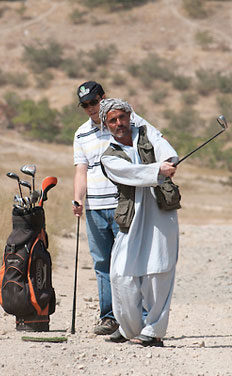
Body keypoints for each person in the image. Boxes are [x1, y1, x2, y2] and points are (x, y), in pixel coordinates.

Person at [72, 81, 160, 335]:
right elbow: (81, 170)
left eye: (94, 101)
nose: (90, 108)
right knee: (103, 263)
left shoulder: (124, 122)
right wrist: (78, 199)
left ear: (103, 97)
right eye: (85, 105)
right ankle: (109, 317)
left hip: (126, 204)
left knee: (133, 260)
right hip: (94, 207)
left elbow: (151, 143)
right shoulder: (81, 134)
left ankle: (142, 318)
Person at [99, 98, 179, 347]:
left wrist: (169, 163)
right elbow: (130, 174)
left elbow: (165, 149)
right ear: (106, 125)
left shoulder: (147, 133)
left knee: (160, 269)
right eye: (113, 120)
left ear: (129, 117)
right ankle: (129, 327)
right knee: (121, 273)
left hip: (161, 213)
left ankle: (154, 332)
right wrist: (158, 170)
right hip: (131, 217)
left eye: (122, 117)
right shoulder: (108, 157)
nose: (119, 123)